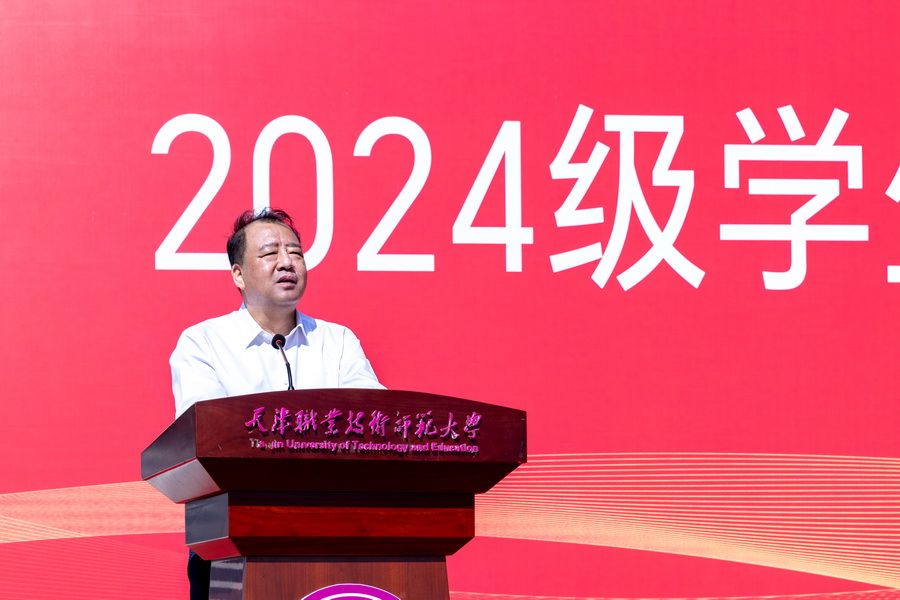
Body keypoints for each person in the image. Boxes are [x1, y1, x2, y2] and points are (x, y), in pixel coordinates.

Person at [169, 207, 384, 599]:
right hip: (232, 541)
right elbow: (206, 438)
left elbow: (376, 425)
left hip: (332, 537)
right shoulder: (203, 344)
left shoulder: (338, 342)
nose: (287, 262)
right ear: (238, 274)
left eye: (296, 253)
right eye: (270, 253)